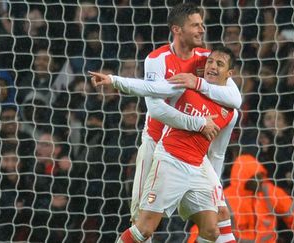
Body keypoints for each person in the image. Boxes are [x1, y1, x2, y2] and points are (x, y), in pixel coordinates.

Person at [95, 3, 241, 242]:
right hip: (160, 146)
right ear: (177, 29)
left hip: (194, 155)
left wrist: (198, 84)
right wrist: (197, 123)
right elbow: (156, 107)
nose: (202, 30)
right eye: (195, 25)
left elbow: (234, 98)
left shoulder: (207, 59)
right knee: (143, 225)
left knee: (218, 217)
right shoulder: (157, 60)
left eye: (202, 24)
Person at [223, 154, 294, 243]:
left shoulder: (268, 191)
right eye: (255, 177)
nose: (259, 181)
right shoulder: (225, 199)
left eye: (260, 176)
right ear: (244, 179)